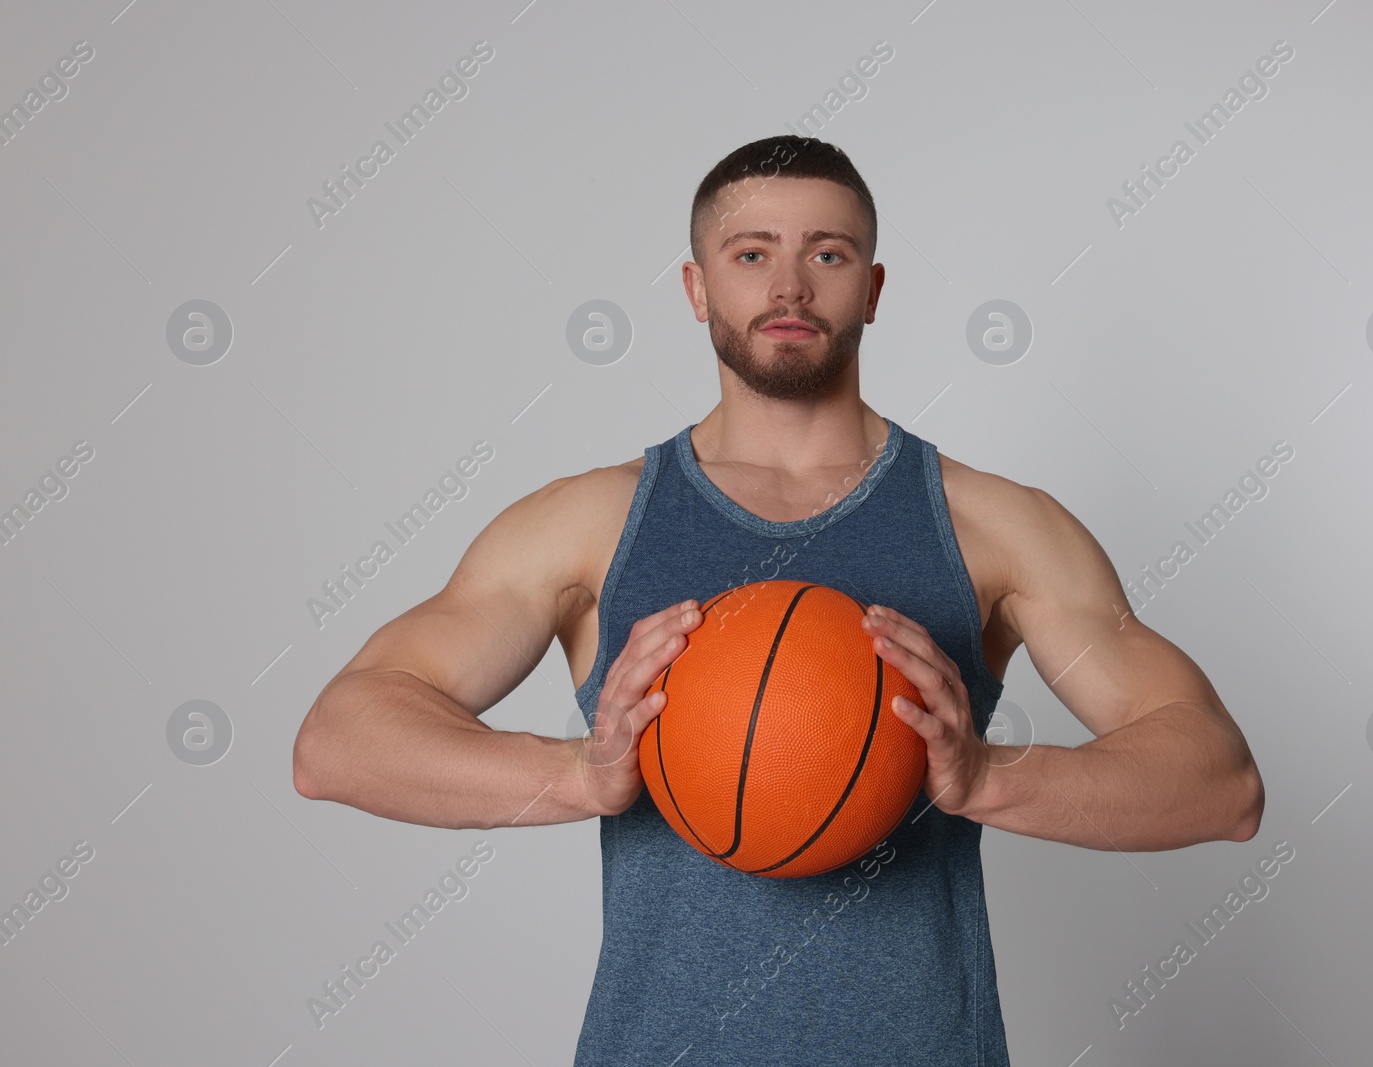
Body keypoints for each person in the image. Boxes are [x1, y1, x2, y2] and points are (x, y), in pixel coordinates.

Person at [292, 134, 1264, 1066]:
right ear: (695, 285)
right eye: (751, 252)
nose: (789, 285)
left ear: (872, 287)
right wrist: (582, 775)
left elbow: (1220, 782)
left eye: (827, 252)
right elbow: (339, 739)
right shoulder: (592, 523)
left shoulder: (992, 524)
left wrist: (986, 775)